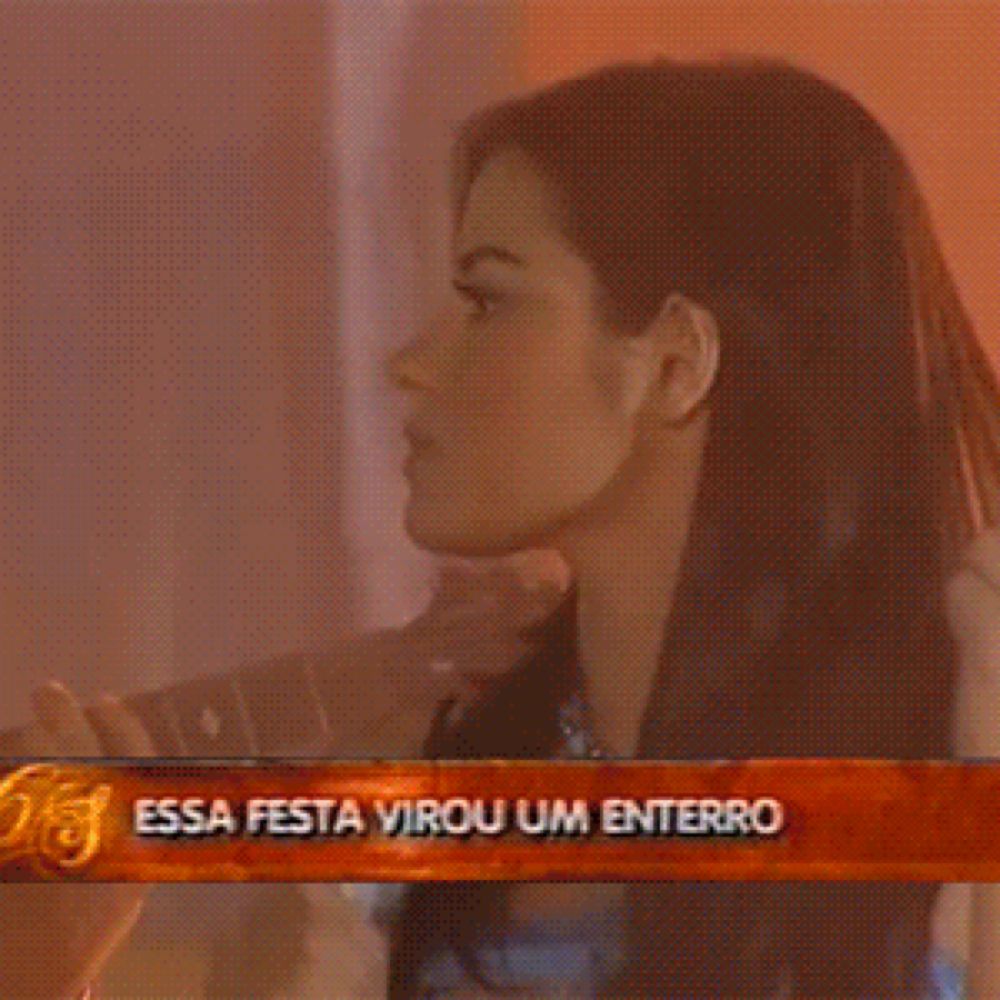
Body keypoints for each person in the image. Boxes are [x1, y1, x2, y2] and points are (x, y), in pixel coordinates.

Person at [3, 54, 1000, 998]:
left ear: (675, 360)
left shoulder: (952, 762)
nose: (415, 364)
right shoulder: (410, 793)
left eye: (487, 299)